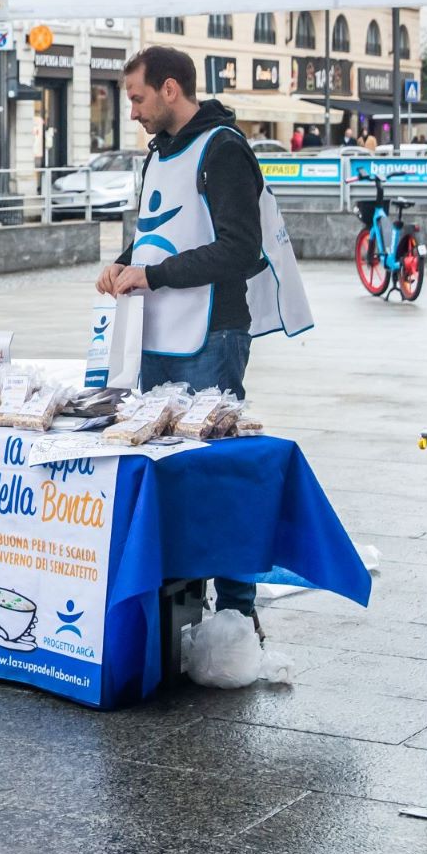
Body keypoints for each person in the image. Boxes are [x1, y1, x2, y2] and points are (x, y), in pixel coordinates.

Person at [95, 47, 271, 626]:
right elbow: (156, 230)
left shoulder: (222, 149)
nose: (134, 113)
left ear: (171, 89)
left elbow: (241, 249)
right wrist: (124, 264)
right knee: (170, 475)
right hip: (158, 335)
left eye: (138, 99)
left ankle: (238, 613)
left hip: (212, 337)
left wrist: (155, 274)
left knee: (218, 475)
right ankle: (183, 607)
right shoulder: (160, 153)